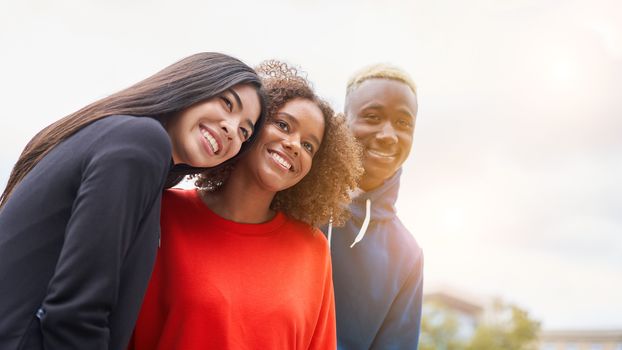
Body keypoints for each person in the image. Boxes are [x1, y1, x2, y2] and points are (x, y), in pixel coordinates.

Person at [0, 52, 267, 350]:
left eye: (244, 131)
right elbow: (74, 312)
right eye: (227, 103)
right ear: (194, 85)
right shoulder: (142, 141)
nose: (231, 129)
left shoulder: (128, 143)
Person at [130, 60, 363, 350]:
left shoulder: (313, 248)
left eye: (308, 146)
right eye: (282, 125)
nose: (293, 145)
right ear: (250, 127)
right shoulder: (165, 212)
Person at [327, 64, 424, 349]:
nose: (388, 135)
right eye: (372, 117)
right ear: (344, 121)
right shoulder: (289, 199)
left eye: (403, 123)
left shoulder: (407, 254)